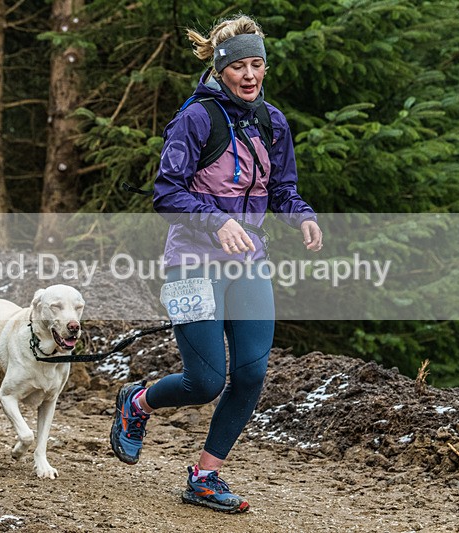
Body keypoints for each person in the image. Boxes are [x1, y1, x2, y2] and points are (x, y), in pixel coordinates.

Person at [110, 14, 323, 514]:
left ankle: (205, 477)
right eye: (240, 67)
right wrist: (216, 221)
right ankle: (137, 403)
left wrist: (303, 216)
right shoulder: (196, 119)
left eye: (257, 65)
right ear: (221, 69)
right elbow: (167, 193)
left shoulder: (272, 121)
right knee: (204, 382)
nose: (250, 75)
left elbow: (282, 189)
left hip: (249, 262)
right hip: (192, 261)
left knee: (250, 374)